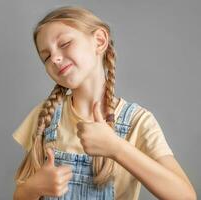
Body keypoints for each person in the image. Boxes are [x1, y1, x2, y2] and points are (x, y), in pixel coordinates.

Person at [12, 5, 196, 200]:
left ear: (99, 41)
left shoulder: (138, 121)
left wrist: (116, 148)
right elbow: (20, 195)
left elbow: (185, 196)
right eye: (46, 57)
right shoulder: (44, 115)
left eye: (64, 43)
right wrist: (32, 188)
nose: (55, 58)